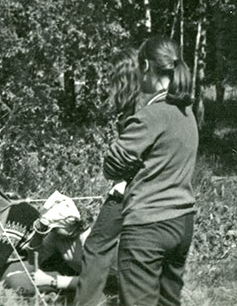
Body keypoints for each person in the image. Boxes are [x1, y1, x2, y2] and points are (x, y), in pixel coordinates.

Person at [103, 36, 198, 306]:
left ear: (145, 66)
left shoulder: (151, 115)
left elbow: (112, 164)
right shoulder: (186, 112)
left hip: (148, 226)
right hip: (181, 222)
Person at [75, 49, 142, 306]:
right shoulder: (140, 105)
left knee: (96, 246)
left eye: (112, 77)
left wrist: (121, 180)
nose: (108, 83)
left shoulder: (137, 110)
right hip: (139, 188)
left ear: (123, 77)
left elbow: (134, 155)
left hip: (130, 190)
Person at [0, 192, 90, 296]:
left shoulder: (88, 239)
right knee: (9, 277)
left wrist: (51, 281)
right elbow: (34, 259)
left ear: (70, 225)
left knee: (15, 282)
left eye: (55, 227)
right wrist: (38, 233)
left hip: (84, 280)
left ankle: (66, 295)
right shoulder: (56, 234)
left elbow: (94, 279)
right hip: (62, 270)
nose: (52, 230)